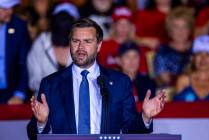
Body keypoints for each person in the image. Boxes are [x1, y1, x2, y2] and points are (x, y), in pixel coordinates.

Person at [27, 18, 166, 139]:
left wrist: (145, 117)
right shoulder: (51, 84)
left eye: (87, 41)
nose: (81, 47)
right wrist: (41, 123)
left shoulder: (119, 82)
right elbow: (33, 134)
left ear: (99, 45)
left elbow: (131, 130)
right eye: (76, 41)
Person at [27, 3, 78, 96]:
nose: (63, 23)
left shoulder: (83, 44)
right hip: (44, 102)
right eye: (60, 20)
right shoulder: (40, 44)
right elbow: (33, 82)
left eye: (67, 20)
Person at [153, 7, 193, 98]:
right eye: (176, 27)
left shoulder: (197, 49)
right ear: (170, 30)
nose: (180, 31)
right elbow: (164, 80)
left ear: (189, 29)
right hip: (171, 97)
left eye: (184, 26)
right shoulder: (163, 52)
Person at [0, 0, 31, 104]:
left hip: (12, 93)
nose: (10, 11)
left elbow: (25, 62)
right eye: (4, 8)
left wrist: (19, 94)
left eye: (11, 7)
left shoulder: (19, 26)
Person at [174, 35, 209, 101]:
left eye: (208, 54)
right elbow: (177, 108)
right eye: (199, 54)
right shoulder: (183, 81)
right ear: (193, 58)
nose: (203, 59)